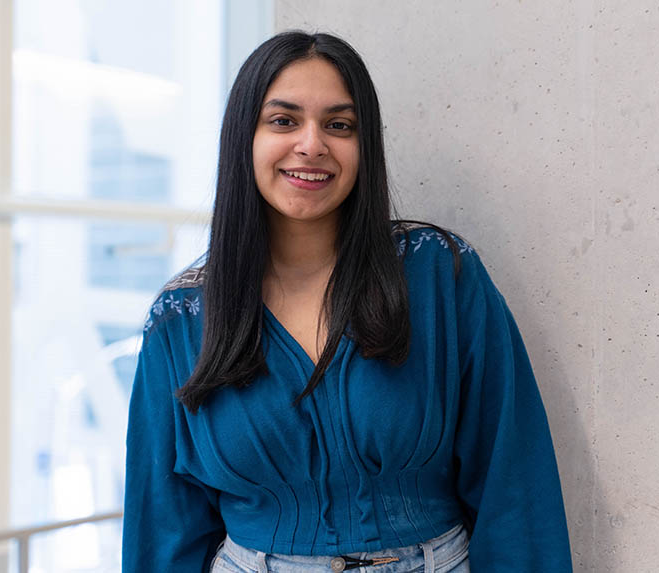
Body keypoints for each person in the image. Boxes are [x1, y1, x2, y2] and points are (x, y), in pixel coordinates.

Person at [122, 31, 572, 572]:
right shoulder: (180, 320)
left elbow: (514, 479)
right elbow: (161, 529)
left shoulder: (439, 276)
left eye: (339, 125)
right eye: (283, 121)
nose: (312, 144)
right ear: (243, 138)